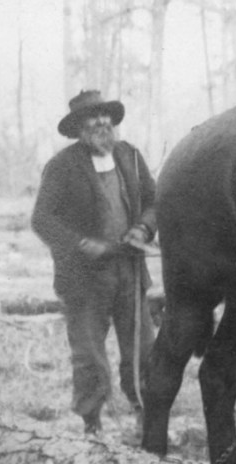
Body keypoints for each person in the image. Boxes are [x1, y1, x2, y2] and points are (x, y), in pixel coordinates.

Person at [32, 90, 157, 439]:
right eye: (93, 117)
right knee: (89, 356)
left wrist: (143, 228)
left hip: (130, 272)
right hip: (84, 279)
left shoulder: (130, 157)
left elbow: (153, 200)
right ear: (78, 128)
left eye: (106, 116)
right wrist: (80, 245)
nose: (102, 122)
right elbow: (42, 219)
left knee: (143, 351)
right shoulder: (61, 167)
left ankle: (144, 416)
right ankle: (91, 424)